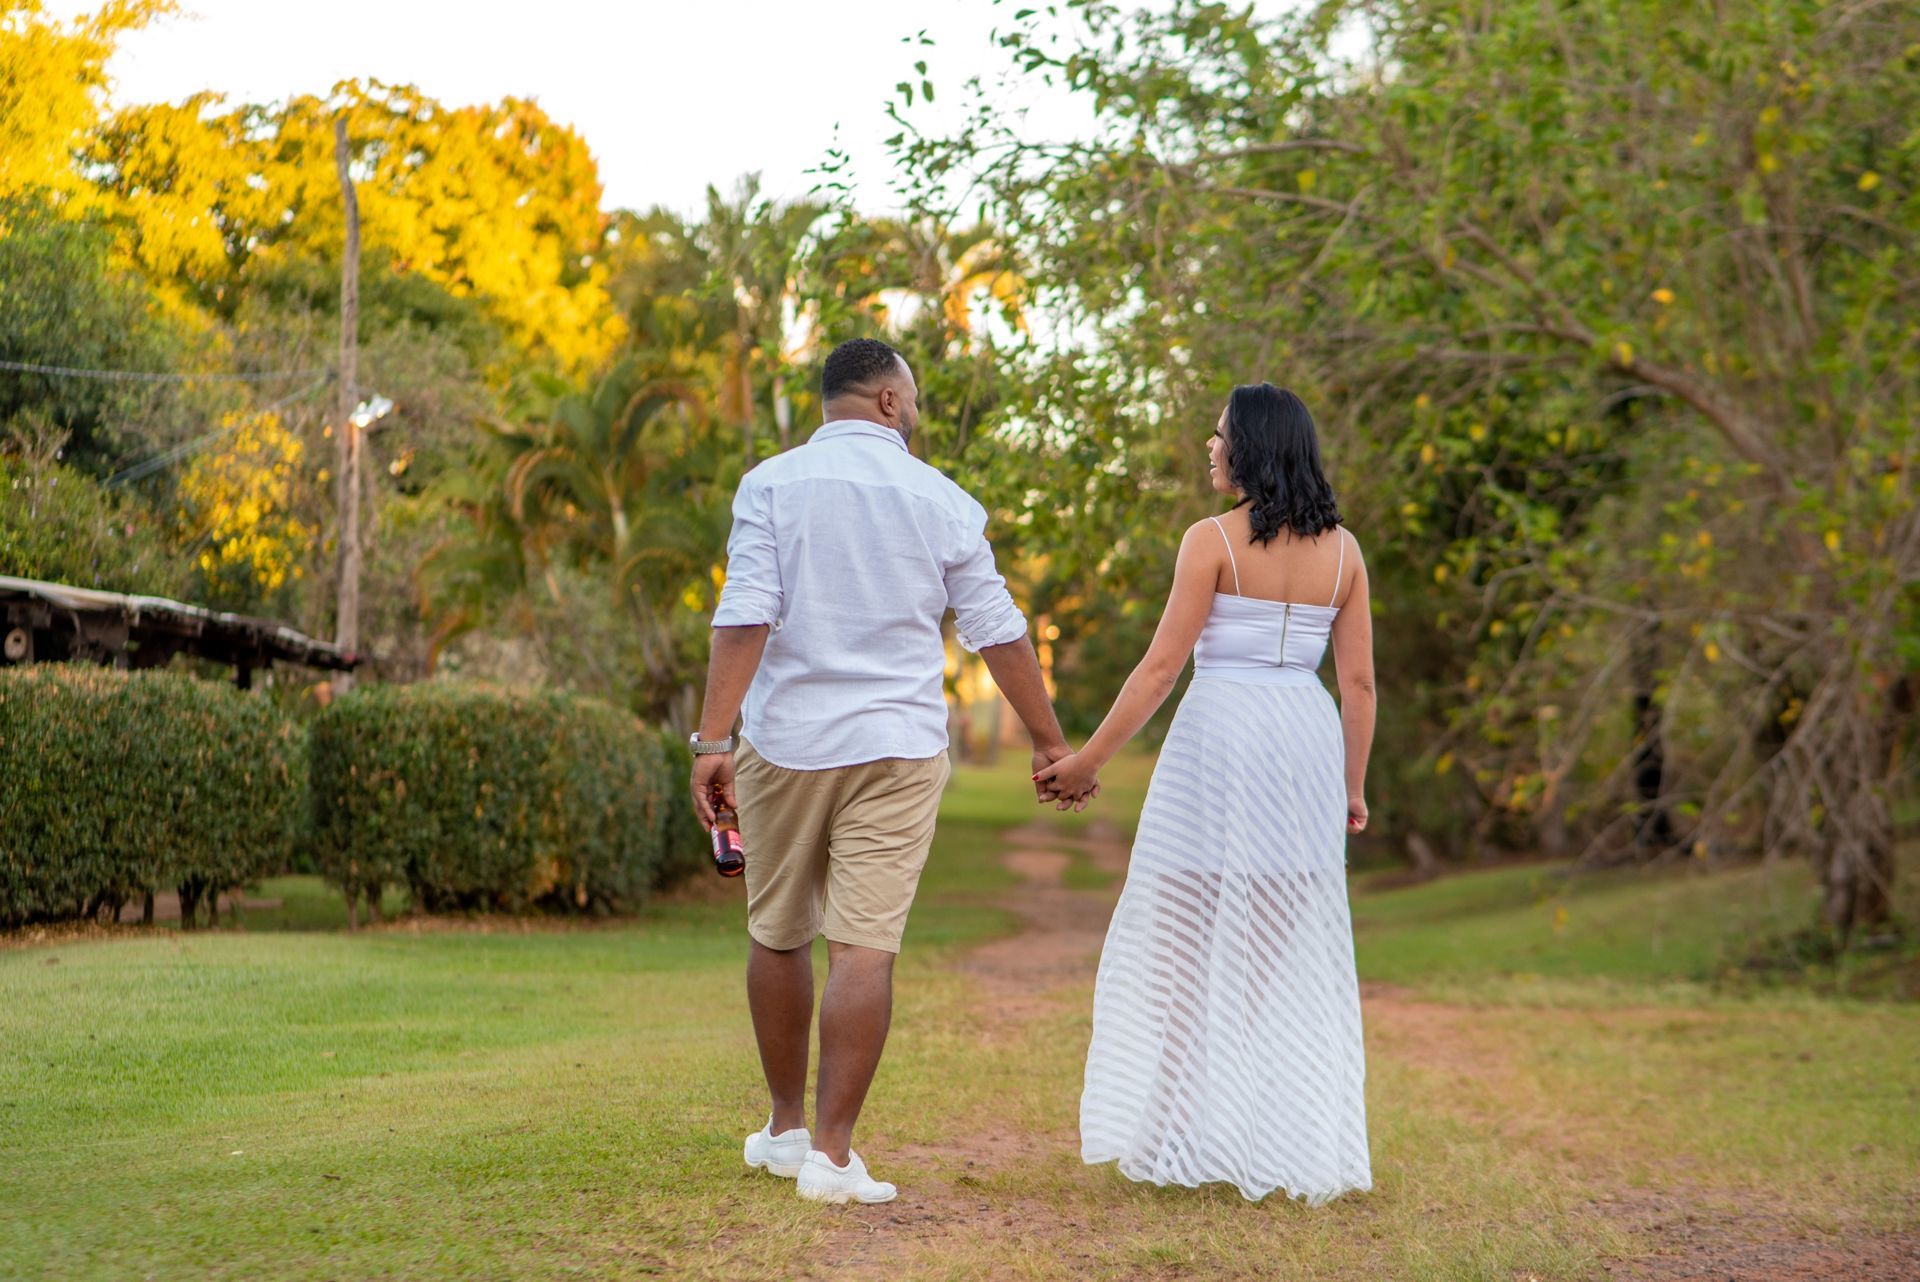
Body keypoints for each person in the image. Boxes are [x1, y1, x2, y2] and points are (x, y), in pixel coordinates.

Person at [690, 337, 1093, 1206]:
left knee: (777, 928)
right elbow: (997, 626)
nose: (914, 413)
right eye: (910, 399)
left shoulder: (769, 484)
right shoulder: (941, 498)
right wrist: (1049, 740)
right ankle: (833, 1159)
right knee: (864, 945)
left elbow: (744, 613)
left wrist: (711, 740)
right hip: (900, 748)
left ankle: (787, 1127)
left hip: (786, 741)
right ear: (884, 401)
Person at [1035, 382, 1375, 1204]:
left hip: (1222, 740)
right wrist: (1351, 789)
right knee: (1262, 959)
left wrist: (1087, 761)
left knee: (1185, 948)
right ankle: (1250, 1131)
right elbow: (1359, 685)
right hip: (1303, 741)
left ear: (1251, 448)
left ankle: (1182, 1129)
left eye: (1219, 436)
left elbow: (1160, 670)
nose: (1210, 447)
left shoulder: (1211, 539)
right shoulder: (1346, 553)